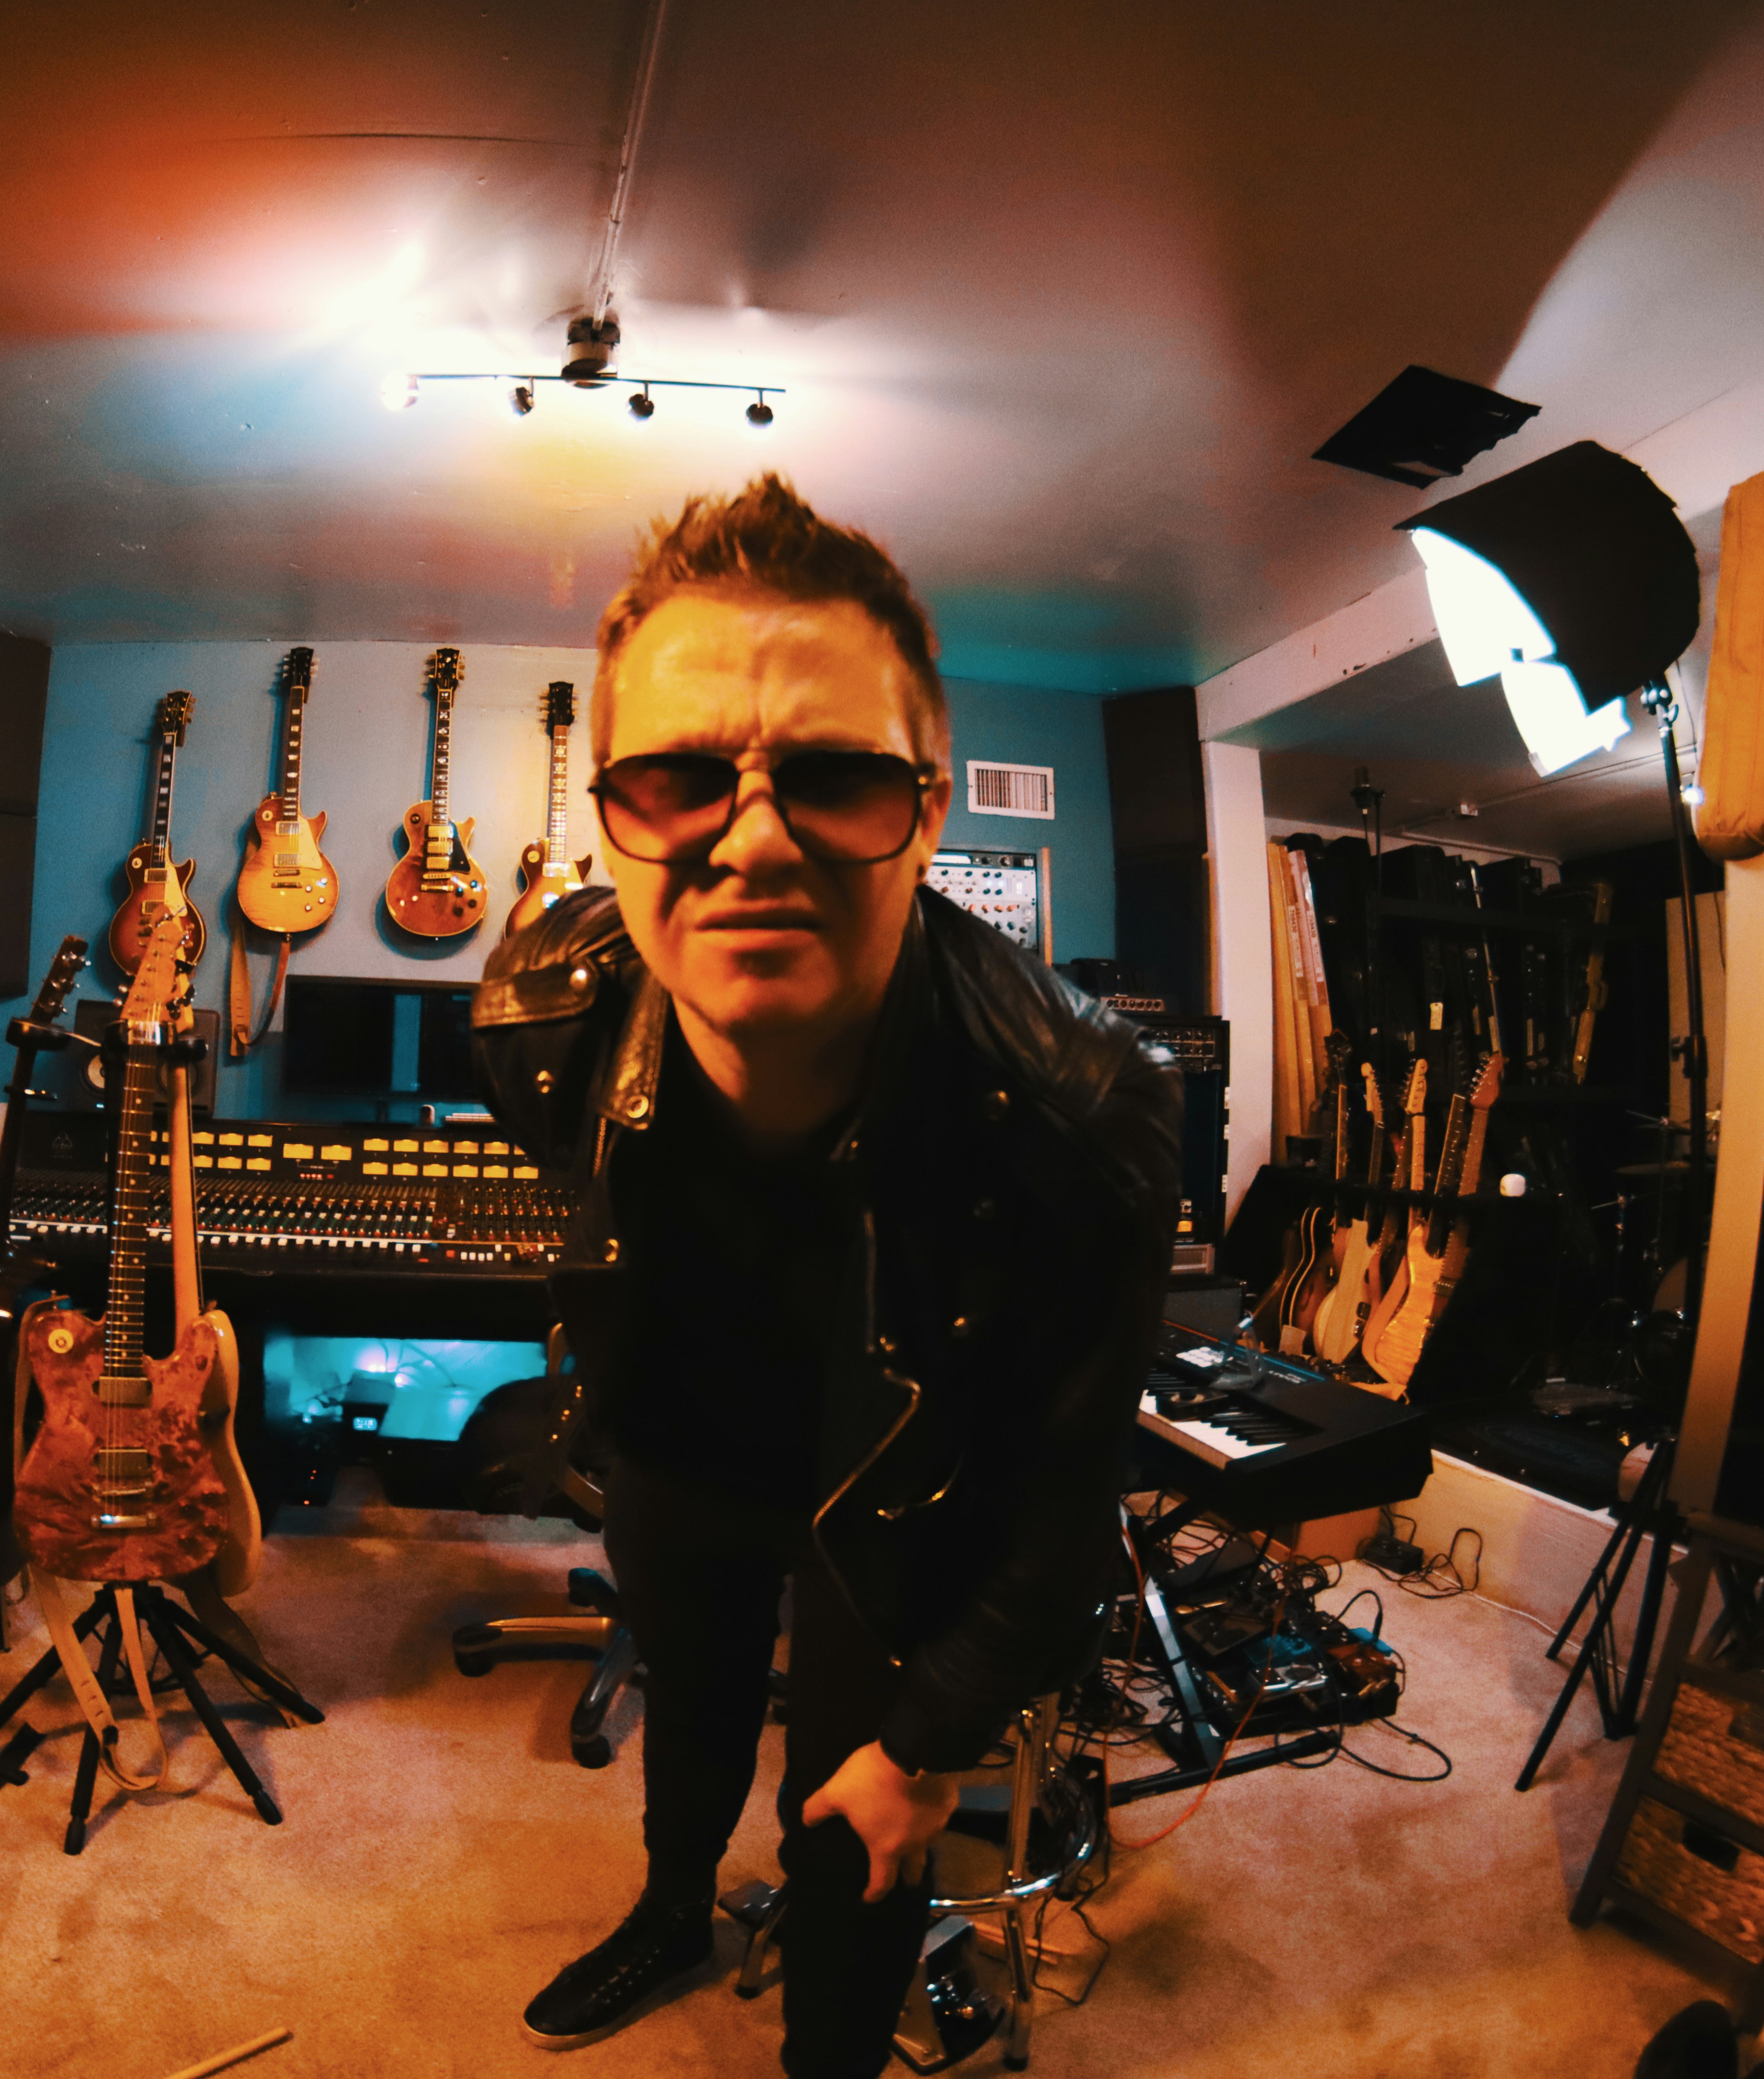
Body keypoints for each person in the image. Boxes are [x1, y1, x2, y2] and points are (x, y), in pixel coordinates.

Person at [473, 475, 1185, 2077]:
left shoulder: (1084, 1118)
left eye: (838, 779)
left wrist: (930, 1749)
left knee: (859, 1832)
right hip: (677, 1448)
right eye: (676, 779)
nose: (753, 841)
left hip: (906, 1492)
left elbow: (1065, 1509)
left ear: (927, 812)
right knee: (696, 1715)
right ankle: (671, 1908)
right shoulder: (536, 1017)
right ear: (608, 816)